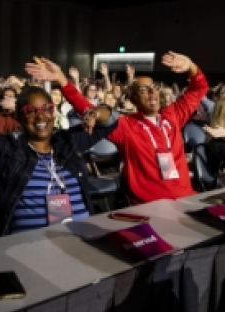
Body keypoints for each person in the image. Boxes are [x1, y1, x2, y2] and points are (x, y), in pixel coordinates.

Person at [26, 52, 209, 204]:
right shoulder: (125, 126)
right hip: (150, 205)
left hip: (186, 199)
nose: (152, 92)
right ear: (133, 99)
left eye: (154, 87)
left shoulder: (173, 115)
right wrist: (63, 81)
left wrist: (191, 67)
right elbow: (88, 108)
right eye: (144, 89)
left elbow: (198, 89)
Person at [0, 85, 117, 235]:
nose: (41, 116)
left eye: (47, 109)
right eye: (30, 111)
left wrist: (95, 112)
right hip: (29, 248)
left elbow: (112, 120)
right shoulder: (8, 148)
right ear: (19, 117)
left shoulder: (68, 142)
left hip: (82, 240)